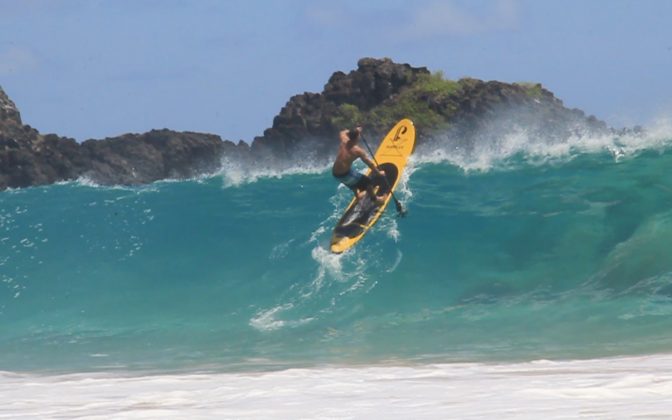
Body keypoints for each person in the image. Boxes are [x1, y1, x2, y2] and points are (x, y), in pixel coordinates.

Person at [332, 126, 386, 204]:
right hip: (344, 174)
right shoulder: (357, 151)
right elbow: (369, 163)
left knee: (352, 179)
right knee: (367, 181)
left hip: (335, 173)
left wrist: (354, 130)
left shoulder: (344, 140)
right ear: (357, 138)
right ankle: (375, 200)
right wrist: (379, 173)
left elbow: (342, 132)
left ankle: (358, 196)